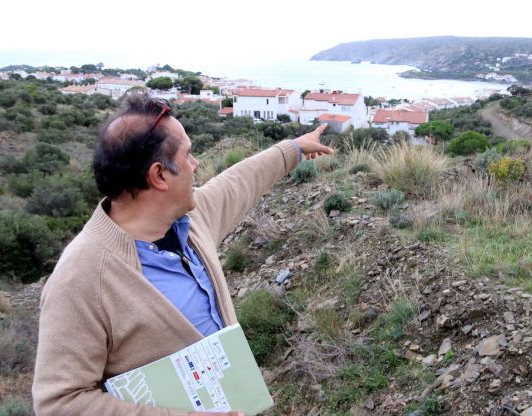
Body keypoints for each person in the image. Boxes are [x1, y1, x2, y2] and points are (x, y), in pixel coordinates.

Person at [32, 92, 333, 415]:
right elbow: (60, 403)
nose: (196, 164)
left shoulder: (188, 221)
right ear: (159, 175)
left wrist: (293, 149)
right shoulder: (81, 277)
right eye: (188, 155)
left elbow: (237, 183)